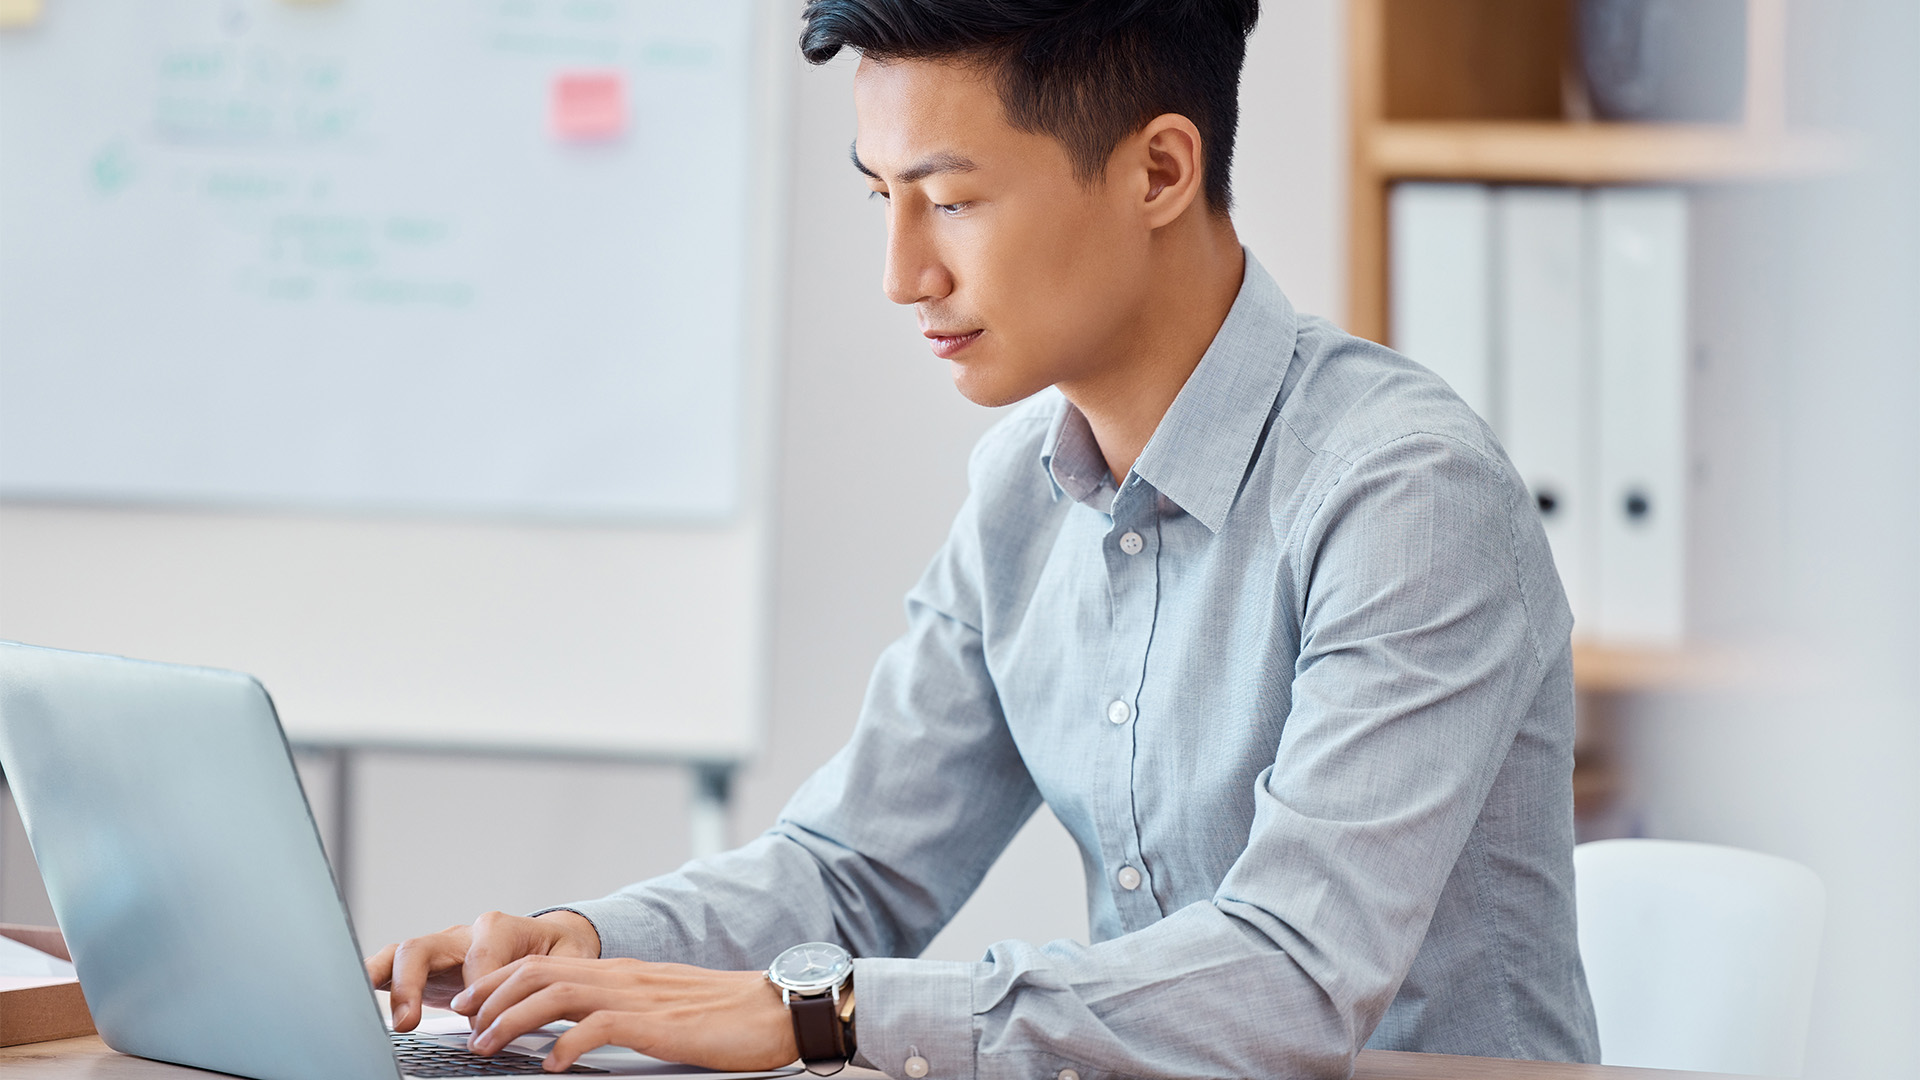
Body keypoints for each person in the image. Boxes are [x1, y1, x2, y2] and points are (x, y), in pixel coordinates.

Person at [367, 2, 1600, 1076]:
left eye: (950, 202)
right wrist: (581, 946)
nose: (902, 274)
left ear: (1161, 171)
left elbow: (1294, 977)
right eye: (880, 199)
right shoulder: (1023, 488)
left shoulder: (1406, 494)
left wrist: (821, 1015)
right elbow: (853, 867)